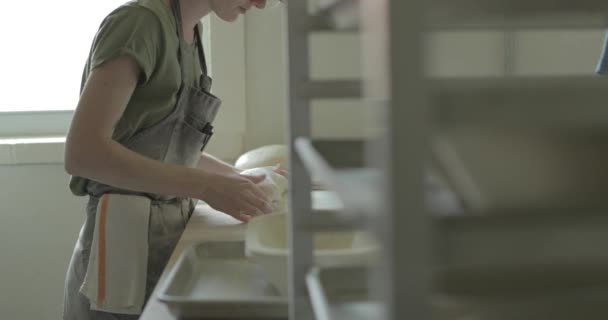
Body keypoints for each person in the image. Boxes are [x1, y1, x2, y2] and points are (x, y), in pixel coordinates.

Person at [62, 0, 283, 319]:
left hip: (164, 238)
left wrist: (239, 179)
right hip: (120, 248)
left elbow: (160, 147)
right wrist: (207, 187)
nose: (262, 3)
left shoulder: (190, 34)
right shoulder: (139, 24)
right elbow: (84, 153)